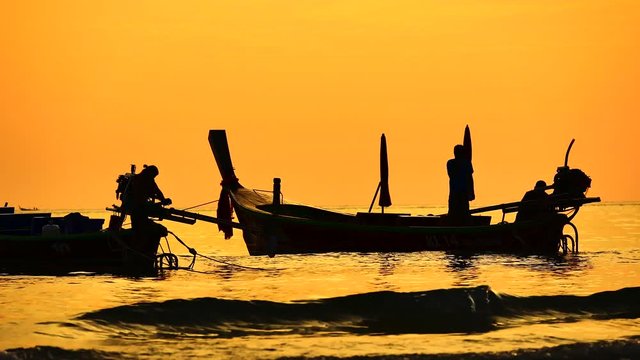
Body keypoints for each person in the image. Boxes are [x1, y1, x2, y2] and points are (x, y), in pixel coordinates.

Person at [125, 165, 171, 231]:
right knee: (140, 226)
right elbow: (156, 191)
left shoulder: (139, 177)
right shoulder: (146, 179)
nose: (154, 177)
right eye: (154, 175)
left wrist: (162, 200)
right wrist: (163, 200)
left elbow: (155, 192)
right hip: (139, 208)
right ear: (150, 173)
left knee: (137, 226)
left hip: (136, 208)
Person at [447, 144, 474, 224]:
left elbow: (470, 178)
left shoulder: (464, 163)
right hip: (456, 193)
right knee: (454, 213)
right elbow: (469, 178)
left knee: (463, 213)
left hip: (462, 193)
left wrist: (471, 192)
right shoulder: (451, 163)